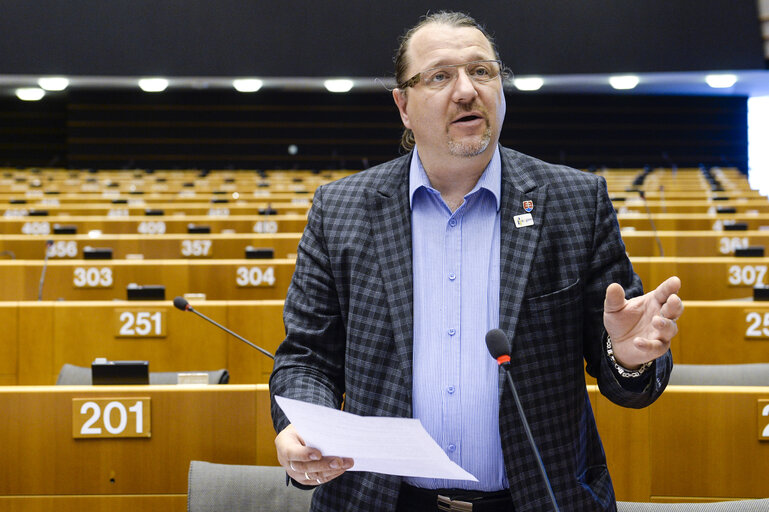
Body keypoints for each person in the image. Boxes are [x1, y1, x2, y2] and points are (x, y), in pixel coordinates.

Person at [270, 10, 683, 512]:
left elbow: (622, 367)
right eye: (440, 76)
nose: (466, 90)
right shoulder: (341, 210)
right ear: (403, 105)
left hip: (537, 500)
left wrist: (629, 357)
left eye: (482, 71)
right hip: (381, 500)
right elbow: (307, 356)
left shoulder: (575, 201)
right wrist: (304, 426)